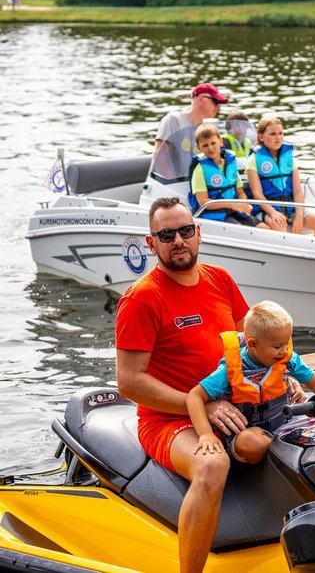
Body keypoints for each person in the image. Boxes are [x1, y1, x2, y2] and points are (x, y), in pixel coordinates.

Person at [115, 197, 253, 573]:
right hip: (168, 421)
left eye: (185, 230)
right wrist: (200, 407)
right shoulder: (141, 298)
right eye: (166, 234)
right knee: (212, 467)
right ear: (151, 243)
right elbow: (129, 383)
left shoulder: (220, 279)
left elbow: (250, 343)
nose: (178, 240)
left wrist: (286, 378)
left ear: (198, 233)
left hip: (230, 407)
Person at [186, 301, 315, 465]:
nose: (284, 350)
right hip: (247, 432)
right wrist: (206, 434)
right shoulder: (229, 369)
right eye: (278, 346)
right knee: (252, 443)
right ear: (253, 344)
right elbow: (195, 396)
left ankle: (289, 453)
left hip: (285, 422)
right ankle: (280, 463)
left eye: (287, 343)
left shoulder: (286, 358)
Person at [245, 116, 315, 237]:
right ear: (261, 137)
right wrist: (273, 213)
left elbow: (297, 191)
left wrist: (299, 216)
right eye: (273, 134)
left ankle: (313, 253)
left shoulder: (288, 158)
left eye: (280, 133)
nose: (278, 137)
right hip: (268, 209)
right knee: (279, 225)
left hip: (290, 208)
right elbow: (257, 194)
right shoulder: (253, 160)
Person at [187, 123, 265, 228]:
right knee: (242, 230)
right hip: (215, 215)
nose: (210, 148)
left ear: (221, 141)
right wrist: (232, 205)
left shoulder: (230, 164)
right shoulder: (199, 169)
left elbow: (240, 192)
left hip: (233, 211)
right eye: (205, 145)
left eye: (213, 143)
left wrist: (243, 204)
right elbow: (203, 201)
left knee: (264, 228)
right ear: (198, 147)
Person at [153, 83, 228, 181]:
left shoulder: (205, 129)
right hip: (173, 187)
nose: (219, 108)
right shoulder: (174, 119)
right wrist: (172, 183)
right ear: (201, 99)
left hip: (195, 187)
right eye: (215, 102)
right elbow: (159, 156)